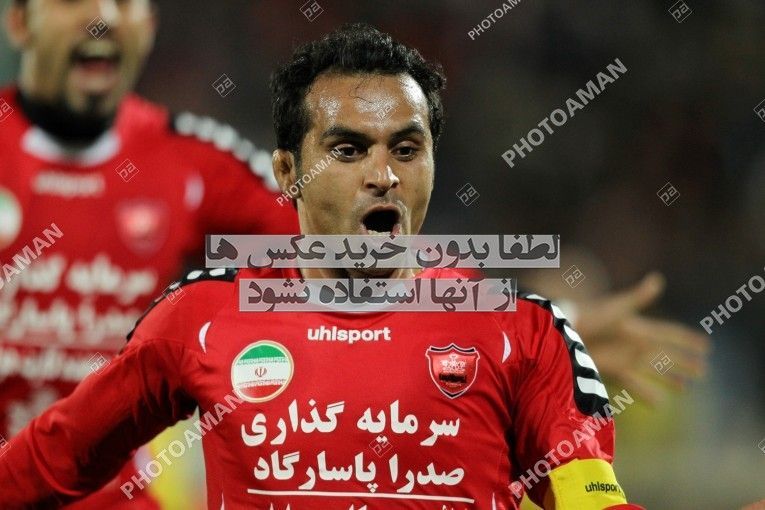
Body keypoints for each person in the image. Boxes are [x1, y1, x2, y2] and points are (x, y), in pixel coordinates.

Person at [0, 23, 646, 509]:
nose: (383, 175)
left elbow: (591, 499)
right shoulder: (199, 319)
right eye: (348, 150)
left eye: (406, 148)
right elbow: (51, 461)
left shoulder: (525, 333)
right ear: (287, 172)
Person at [0, 0, 297, 507]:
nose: (105, 17)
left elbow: (337, 255)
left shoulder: (190, 159)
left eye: (125, 2)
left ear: (150, 27)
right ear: (20, 22)